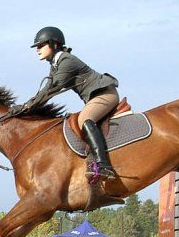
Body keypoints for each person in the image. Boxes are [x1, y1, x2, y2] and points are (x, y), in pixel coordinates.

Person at [12, 26, 120, 181]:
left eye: (41, 45)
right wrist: (27, 105)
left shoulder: (66, 60)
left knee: (84, 120)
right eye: (37, 46)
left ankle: (104, 166)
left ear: (54, 44)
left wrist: (26, 107)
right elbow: (47, 88)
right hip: (94, 97)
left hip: (105, 94)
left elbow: (52, 89)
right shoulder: (55, 64)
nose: (37, 49)